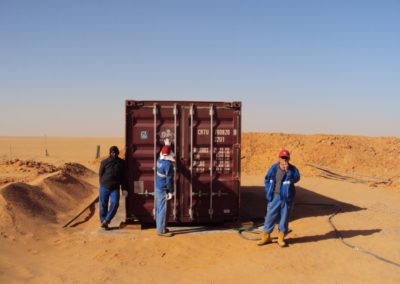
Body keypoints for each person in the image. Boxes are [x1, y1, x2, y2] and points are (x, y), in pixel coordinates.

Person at [258, 148, 300, 247]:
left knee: (284, 218)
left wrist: (288, 171)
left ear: (289, 158)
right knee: (270, 217)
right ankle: (266, 236)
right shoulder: (274, 168)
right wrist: (268, 192)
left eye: (286, 158)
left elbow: (297, 178)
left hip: (287, 198)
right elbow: (267, 179)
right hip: (275, 197)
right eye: (283, 157)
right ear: (279, 158)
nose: (284, 159)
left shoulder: (292, 169)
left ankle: (281, 238)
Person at [99, 146, 127, 230]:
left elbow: (123, 177)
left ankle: (107, 220)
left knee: (115, 203)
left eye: (115, 152)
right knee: (103, 205)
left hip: (115, 188)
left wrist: (124, 188)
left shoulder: (122, 163)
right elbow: (100, 174)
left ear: (118, 153)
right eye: (112, 152)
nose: (113, 154)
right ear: (110, 153)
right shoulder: (104, 162)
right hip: (104, 187)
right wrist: (102, 184)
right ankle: (103, 221)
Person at [155, 145, 175, 237]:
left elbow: (164, 153)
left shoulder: (159, 161)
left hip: (158, 187)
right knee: (164, 210)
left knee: (159, 209)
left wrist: (167, 145)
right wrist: (170, 191)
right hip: (163, 189)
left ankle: (161, 227)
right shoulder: (168, 165)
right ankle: (161, 231)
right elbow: (169, 180)